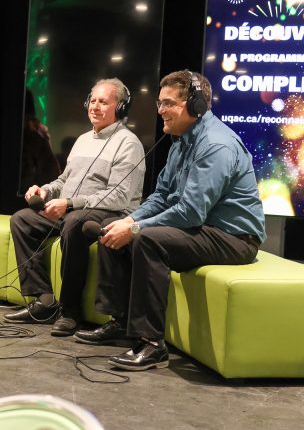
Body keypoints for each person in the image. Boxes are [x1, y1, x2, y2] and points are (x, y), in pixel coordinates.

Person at [74, 70, 267, 371]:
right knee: (113, 230)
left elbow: (191, 212)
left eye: (168, 104)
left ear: (196, 105)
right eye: (159, 103)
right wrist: (129, 220)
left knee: (148, 240)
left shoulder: (216, 145)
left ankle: (151, 344)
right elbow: (162, 196)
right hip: (202, 229)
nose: (160, 110)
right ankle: (120, 322)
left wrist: (136, 228)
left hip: (234, 238)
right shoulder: (181, 141)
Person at [6, 78, 145, 337]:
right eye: (92, 100)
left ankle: (70, 311)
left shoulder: (129, 144)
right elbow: (63, 180)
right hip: (73, 210)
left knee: (74, 222)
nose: (95, 106)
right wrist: (45, 190)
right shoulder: (82, 140)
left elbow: (119, 197)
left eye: (103, 102)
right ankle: (44, 302)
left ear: (121, 107)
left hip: (110, 214)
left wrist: (70, 203)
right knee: (22, 219)